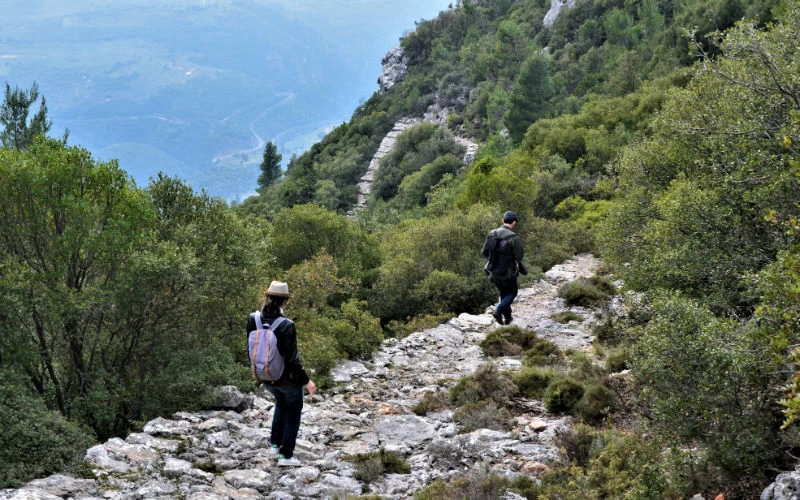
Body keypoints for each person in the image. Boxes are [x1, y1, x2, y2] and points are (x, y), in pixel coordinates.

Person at [246, 280, 316, 467]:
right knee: (293, 412)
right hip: (286, 380)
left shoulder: (253, 319)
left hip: (265, 377)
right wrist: (307, 381)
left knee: (281, 405)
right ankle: (286, 456)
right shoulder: (286, 325)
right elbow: (292, 359)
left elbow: (251, 349)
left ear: (267, 297)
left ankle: (274, 446)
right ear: (285, 302)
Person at [481, 210, 525, 325]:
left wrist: (494, 260)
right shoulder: (514, 237)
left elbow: (484, 252)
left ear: (502, 221)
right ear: (514, 222)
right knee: (512, 293)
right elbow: (519, 256)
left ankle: (508, 317)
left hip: (493, 271)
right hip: (508, 273)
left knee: (503, 293)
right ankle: (498, 310)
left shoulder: (492, 233)